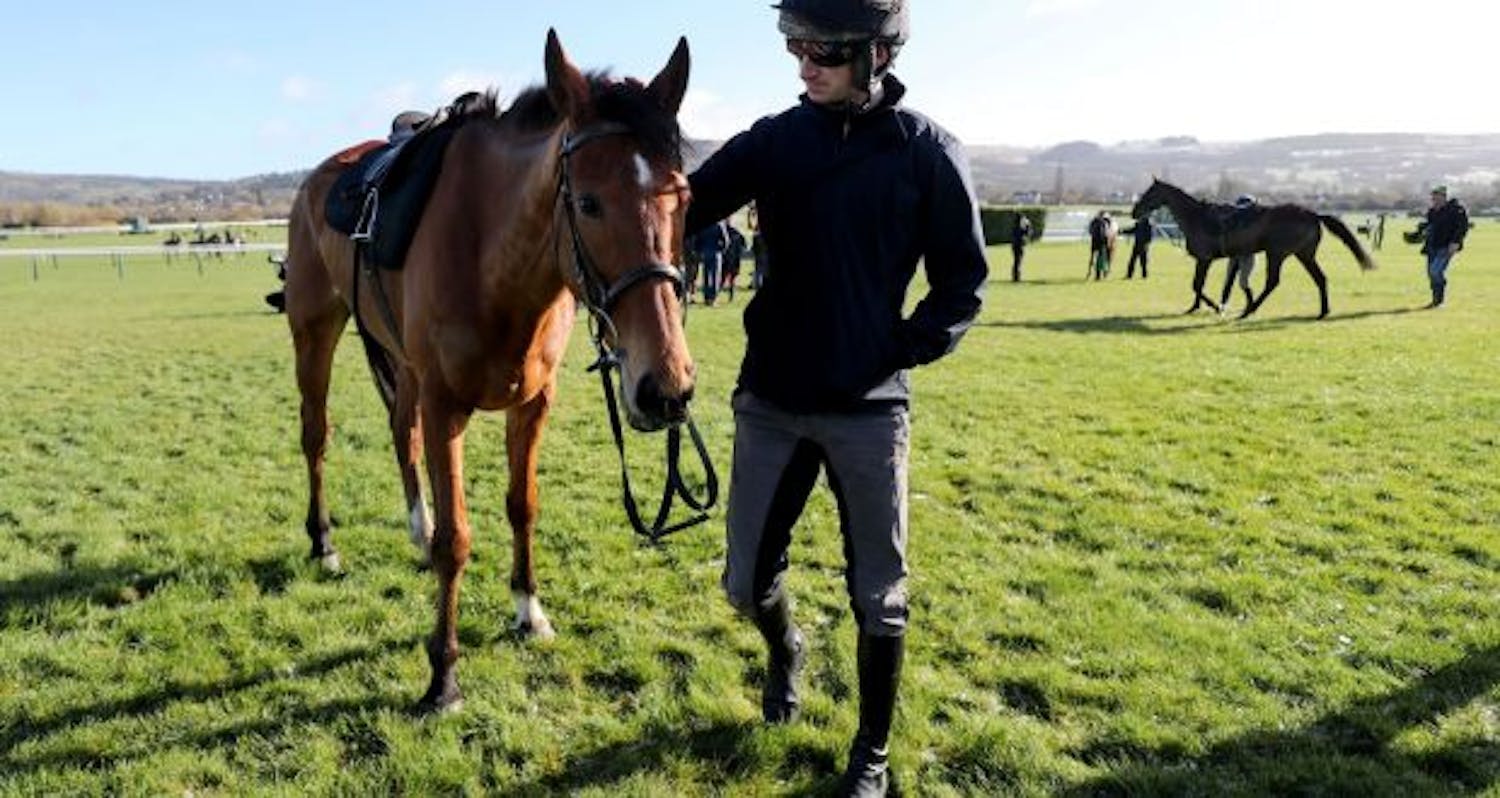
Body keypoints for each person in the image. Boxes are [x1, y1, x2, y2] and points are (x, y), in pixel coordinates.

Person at [683, 1, 988, 794]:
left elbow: (964, 282)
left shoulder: (928, 152)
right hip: (772, 400)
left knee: (878, 596)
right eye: (796, 46)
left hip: (869, 408)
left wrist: (901, 347)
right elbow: (681, 207)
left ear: (876, 54)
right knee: (745, 584)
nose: (803, 64)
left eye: (821, 49)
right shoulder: (774, 141)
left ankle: (872, 756)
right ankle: (786, 651)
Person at [1421, 185, 1468, 308]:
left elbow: (1462, 227)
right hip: (1432, 246)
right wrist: (1420, 233)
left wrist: (1456, 242)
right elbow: (1430, 227)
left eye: (1437, 196)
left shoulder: (1456, 210)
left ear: (1443, 196)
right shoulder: (1432, 212)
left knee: (1435, 271)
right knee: (1431, 274)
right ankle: (1436, 300)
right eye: (1433, 197)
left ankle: (1439, 301)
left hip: (1447, 246)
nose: (1434, 199)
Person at [689, 220, 731, 306]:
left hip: (705, 253)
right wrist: (722, 250)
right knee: (716, 276)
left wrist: (699, 251)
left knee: (706, 276)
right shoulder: (719, 224)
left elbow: (697, 240)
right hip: (716, 252)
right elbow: (726, 240)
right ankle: (713, 298)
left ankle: (706, 297)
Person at [1010, 212, 1033, 282]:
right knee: (1018, 262)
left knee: (1016, 261)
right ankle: (1016, 277)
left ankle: (1015, 276)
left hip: (1015, 246)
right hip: (1019, 246)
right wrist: (1028, 226)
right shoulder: (1020, 228)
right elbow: (1027, 233)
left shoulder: (1015, 227)